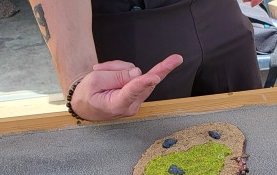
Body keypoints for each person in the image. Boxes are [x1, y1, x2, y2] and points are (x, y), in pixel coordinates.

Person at [29, 1, 263, 121]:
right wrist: (77, 79)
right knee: (151, 166)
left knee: (250, 142)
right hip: (131, 27)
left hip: (224, 19)